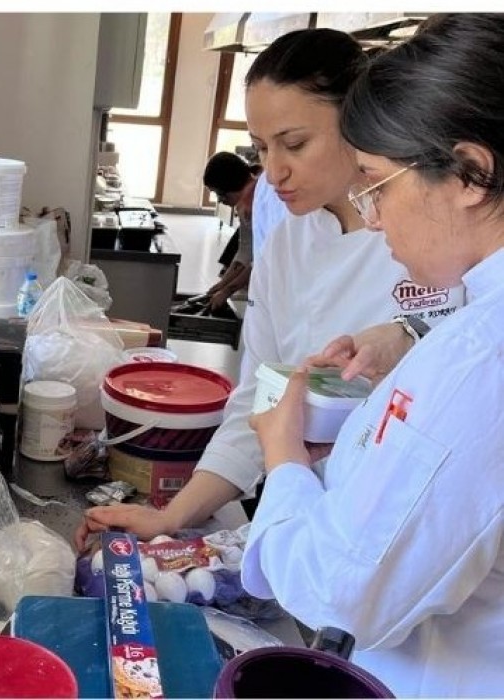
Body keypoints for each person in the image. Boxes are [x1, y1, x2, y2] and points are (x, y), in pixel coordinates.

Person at [77, 28, 464, 548]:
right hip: (303, 515)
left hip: (399, 527)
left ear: (357, 120)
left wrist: (405, 338)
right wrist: (173, 517)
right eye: (262, 148)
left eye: (295, 144)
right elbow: (259, 402)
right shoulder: (287, 241)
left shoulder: (432, 244)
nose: (275, 171)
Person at [246, 14, 504, 694]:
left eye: (379, 184)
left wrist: (284, 458)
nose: (374, 216)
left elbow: (339, 590)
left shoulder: (479, 358)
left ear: (470, 174)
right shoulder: (468, 329)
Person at [198, 151, 258, 313]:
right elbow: (245, 251)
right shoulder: (245, 205)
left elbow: (262, 260)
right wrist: (221, 284)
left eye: (220, 193)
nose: (219, 200)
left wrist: (227, 291)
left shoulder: (263, 204)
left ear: (231, 184)